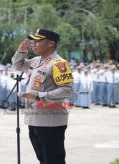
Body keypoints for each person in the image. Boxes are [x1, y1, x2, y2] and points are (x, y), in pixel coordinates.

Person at [12, 28, 73, 164]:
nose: (34, 44)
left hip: (50, 121)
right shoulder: (36, 61)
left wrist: (39, 95)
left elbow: (67, 90)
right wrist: (21, 51)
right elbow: (18, 65)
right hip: (34, 118)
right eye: (33, 41)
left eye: (38, 41)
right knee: (43, 159)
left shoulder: (58, 64)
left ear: (51, 43)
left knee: (53, 160)